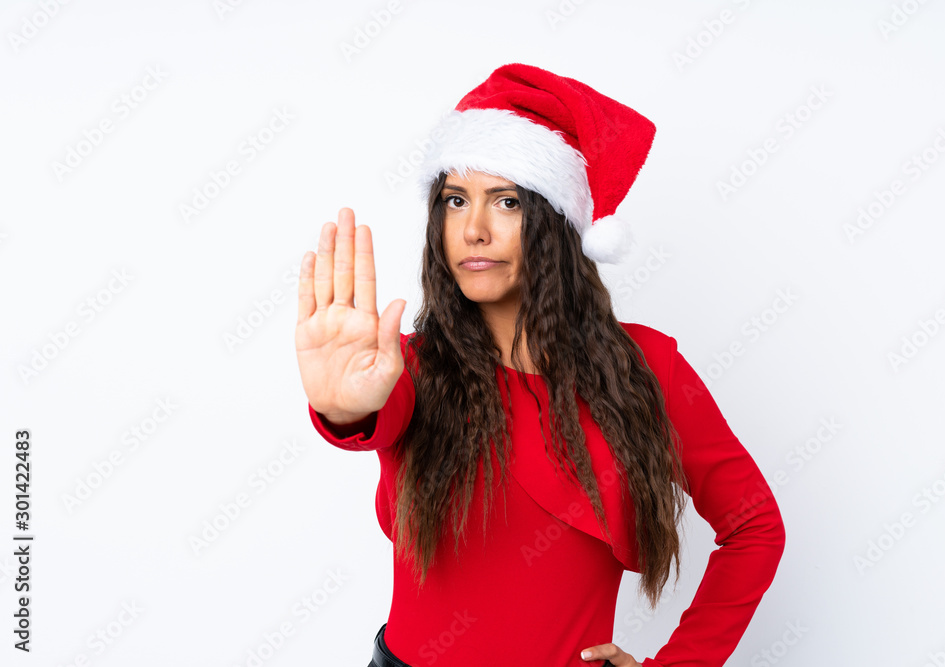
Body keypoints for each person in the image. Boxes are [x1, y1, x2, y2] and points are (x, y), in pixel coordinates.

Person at [295, 63, 785, 667]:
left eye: (505, 201)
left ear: (555, 219)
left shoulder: (647, 368)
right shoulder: (406, 368)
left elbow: (754, 525)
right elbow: (369, 411)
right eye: (455, 200)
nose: (472, 229)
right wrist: (342, 408)